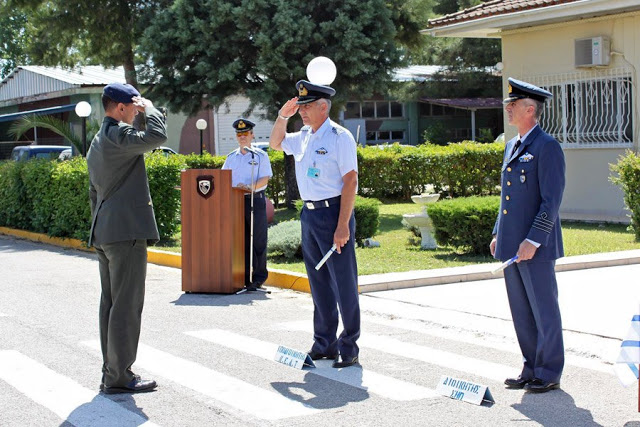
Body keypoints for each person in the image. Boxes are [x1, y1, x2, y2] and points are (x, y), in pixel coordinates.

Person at [269, 80, 360, 368]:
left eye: (306, 107)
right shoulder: (304, 136)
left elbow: (350, 181)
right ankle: (324, 343)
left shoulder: (339, 137)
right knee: (318, 283)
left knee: (343, 281)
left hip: (333, 213)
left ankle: (349, 345)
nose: (302, 112)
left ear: (323, 107)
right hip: (309, 215)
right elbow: (275, 143)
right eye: (300, 107)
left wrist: (342, 224)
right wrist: (283, 117)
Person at [87, 82, 167, 394]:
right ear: (120, 108)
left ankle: (113, 372)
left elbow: (94, 192)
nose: (137, 111)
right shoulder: (118, 135)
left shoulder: (98, 139)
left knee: (111, 304)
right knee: (126, 305)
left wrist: (100, 228)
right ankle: (119, 377)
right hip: (126, 233)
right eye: (133, 107)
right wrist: (153, 109)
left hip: (107, 231)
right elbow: (157, 137)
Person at [490, 77, 566, 393]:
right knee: (521, 311)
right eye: (508, 105)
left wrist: (533, 240)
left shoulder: (547, 147)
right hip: (511, 244)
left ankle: (549, 370)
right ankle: (530, 367)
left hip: (535, 247)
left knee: (543, 310)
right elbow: (506, 197)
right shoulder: (512, 145)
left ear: (530, 109)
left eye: (513, 105)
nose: (508, 109)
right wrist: (499, 232)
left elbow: (552, 199)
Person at [222, 118, 272, 290]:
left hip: (255, 200)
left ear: (252, 135)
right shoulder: (231, 158)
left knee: (258, 240)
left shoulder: (260, 155)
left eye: (245, 133)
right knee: (240, 241)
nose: (242, 137)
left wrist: (250, 187)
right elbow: (223, 179)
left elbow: (265, 178)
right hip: (236, 203)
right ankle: (241, 276)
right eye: (239, 134)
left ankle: (258, 277)